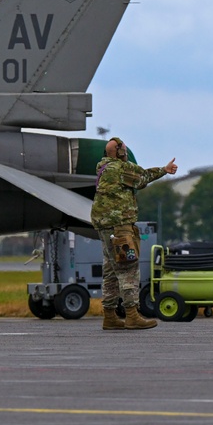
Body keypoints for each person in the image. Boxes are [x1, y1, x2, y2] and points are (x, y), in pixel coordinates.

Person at [90, 137, 177, 331]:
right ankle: (132, 315)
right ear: (119, 152)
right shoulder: (119, 169)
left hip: (105, 227)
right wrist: (164, 170)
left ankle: (110, 316)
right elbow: (142, 178)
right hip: (119, 225)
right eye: (125, 151)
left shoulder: (103, 168)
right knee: (128, 267)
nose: (127, 154)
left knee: (111, 271)